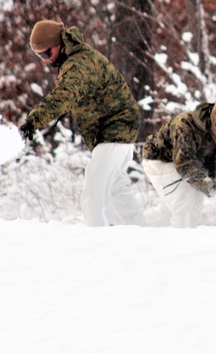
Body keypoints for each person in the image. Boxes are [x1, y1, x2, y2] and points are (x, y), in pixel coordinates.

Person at [19, 19, 146, 227]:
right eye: (38, 55)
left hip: (114, 129)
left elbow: (63, 97)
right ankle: (143, 234)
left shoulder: (78, 64)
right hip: (120, 129)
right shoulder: (77, 59)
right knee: (116, 188)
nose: (44, 60)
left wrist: (32, 122)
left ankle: (98, 241)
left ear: (58, 45)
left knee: (93, 192)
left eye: (45, 53)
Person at [140, 98, 216, 228]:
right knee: (187, 203)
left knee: (177, 208)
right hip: (161, 160)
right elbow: (185, 164)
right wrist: (214, 190)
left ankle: (134, 226)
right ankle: (182, 244)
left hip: (194, 168)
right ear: (214, 120)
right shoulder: (186, 124)